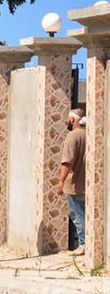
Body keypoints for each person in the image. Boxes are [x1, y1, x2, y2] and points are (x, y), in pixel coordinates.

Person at [58, 108, 87, 256]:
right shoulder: (88, 134)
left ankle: (83, 244)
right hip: (86, 184)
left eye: (68, 118)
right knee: (85, 214)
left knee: (77, 215)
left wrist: (61, 182)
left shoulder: (72, 136)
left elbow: (67, 162)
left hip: (74, 184)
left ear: (72, 120)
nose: (67, 121)